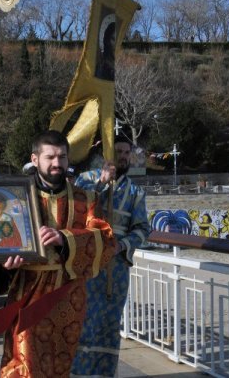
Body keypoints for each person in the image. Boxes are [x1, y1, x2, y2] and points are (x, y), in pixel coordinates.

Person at [0, 130, 117, 378]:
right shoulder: (15, 199)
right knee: (23, 362)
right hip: (27, 289)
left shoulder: (87, 199)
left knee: (59, 364)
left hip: (68, 296)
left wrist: (65, 238)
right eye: (50, 157)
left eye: (62, 157)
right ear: (35, 159)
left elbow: (105, 240)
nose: (56, 163)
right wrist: (3, 263)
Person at [71, 136, 151, 377]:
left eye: (127, 152)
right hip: (85, 266)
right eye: (118, 151)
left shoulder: (136, 192)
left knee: (108, 325)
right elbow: (75, 212)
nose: (123, 156)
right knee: (83, 321)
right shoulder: (85, 181)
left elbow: (142, 229)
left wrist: (121, 246)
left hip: (114, 271)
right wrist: (101, 184)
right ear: (105, 154)